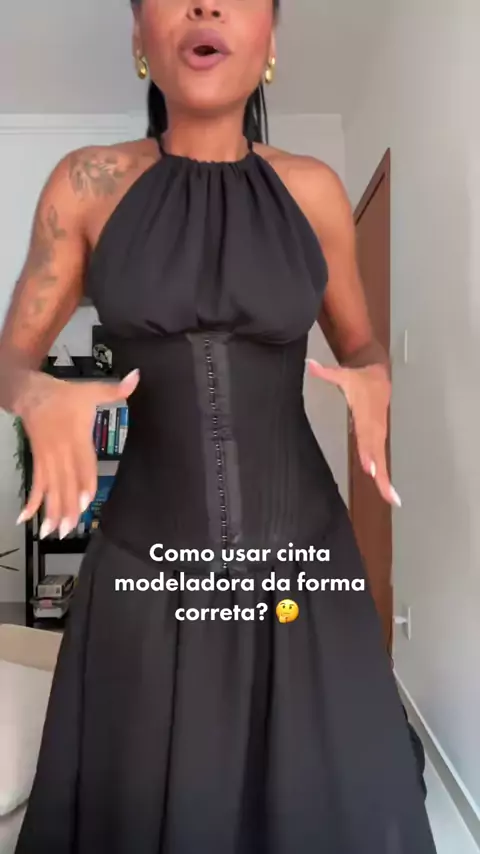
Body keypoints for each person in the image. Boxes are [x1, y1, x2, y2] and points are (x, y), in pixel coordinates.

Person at [0, 1, 436, 852]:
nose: (205, 5)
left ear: (270, 37)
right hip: (147, 582)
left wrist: (374, 376)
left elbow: (361, 341)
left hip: (304, 569)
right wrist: (36, 391)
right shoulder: (86, 184)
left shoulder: (312, 191)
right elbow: (11, 357)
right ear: (139, 36)